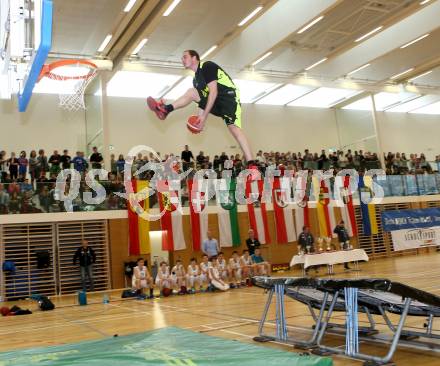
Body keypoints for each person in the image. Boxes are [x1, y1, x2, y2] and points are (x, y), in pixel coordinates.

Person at [147, 50, 255, 167]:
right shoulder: (196, 80)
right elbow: (202, 103)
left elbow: (213, 92)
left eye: (185, 57)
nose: (182, 60)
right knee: (192, 92)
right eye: (182, 58)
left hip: (228, 98)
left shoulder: (207, 66)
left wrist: (203, 117)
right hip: (215, 102)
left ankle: (252, 164)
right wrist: (199, 120)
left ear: (194, 58)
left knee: (233, 128)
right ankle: (166, 109)